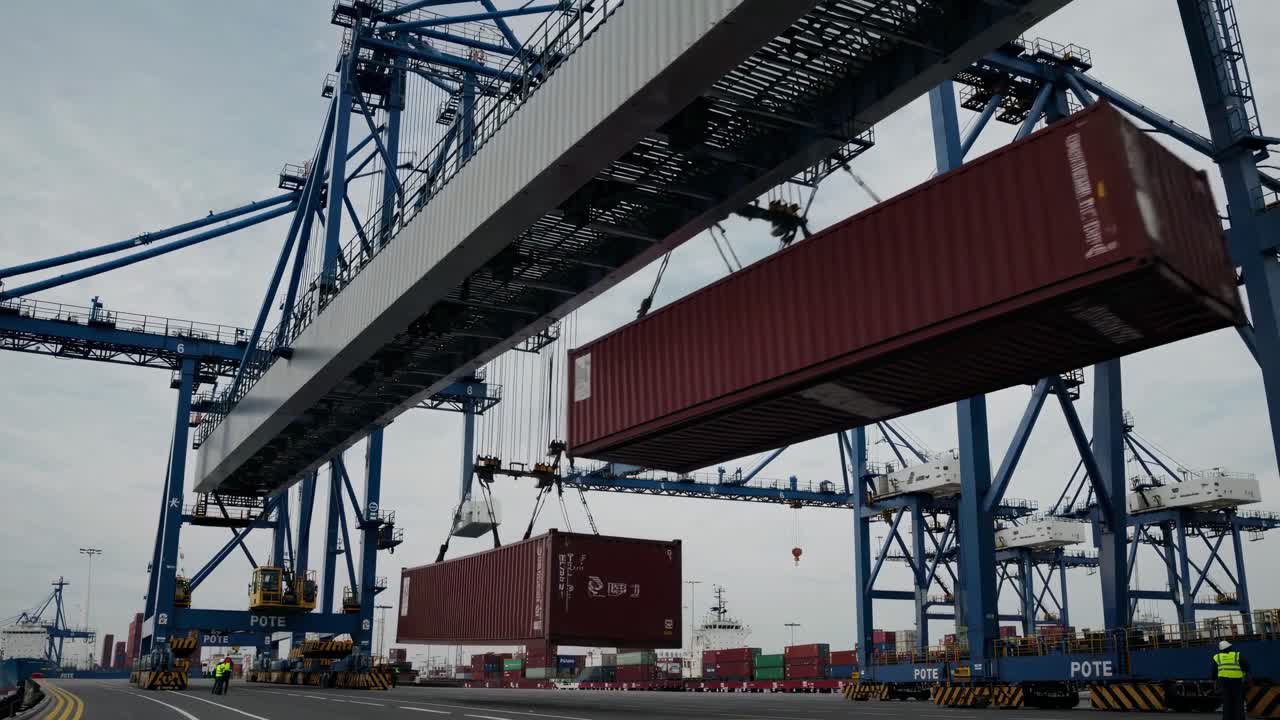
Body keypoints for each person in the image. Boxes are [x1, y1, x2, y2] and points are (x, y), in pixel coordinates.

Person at [1211, 640, 1249, 720]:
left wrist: (1214, 679)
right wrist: (1244, 674)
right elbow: (1246, 666)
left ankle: (1227, 718)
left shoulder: (1217, 657)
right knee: (1238, 701)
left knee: (1227, 702)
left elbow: (1214, 670)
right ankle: (1239, 718)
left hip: (1224, 682)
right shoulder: (1237, 655)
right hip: (1237, 681)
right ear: (1230, 647)